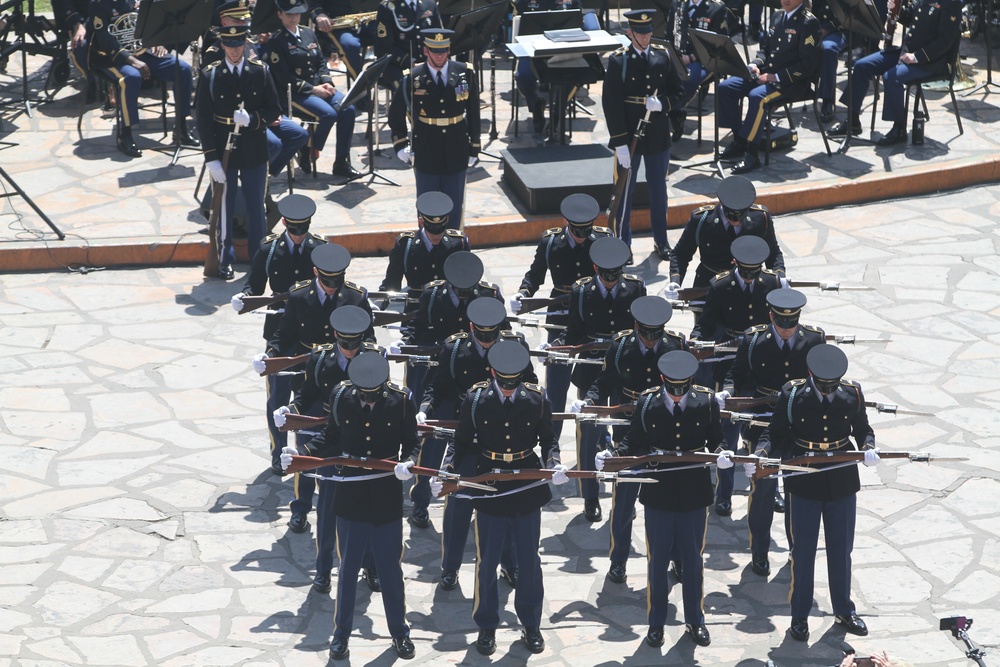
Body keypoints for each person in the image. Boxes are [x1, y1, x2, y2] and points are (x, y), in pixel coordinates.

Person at [281, 352, 418, 660]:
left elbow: (412, 442)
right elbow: (330, 437)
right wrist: (300, 453)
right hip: (351, 495)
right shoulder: (342, 394)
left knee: (390, 570)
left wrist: (407, 462)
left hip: (385, 494)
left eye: (373, 396)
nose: (367, 401)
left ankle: (400, 632)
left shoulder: (402, 400)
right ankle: (341, 636)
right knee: (347, 569)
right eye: (363, 396)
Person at [437, 341, 565, 656]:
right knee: (487, 562)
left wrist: (554, 463)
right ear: (493, 373)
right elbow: (462, 442)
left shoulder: (535, 398)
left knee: (529, 561)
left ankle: (531, 624)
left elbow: (548, 438)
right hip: (490, 483)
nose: (509, 390)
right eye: (503, 383)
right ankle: (486, 627)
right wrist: (448, 469)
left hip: (525, 484)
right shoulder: (476, 398)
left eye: (514, 383)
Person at [599, 350, 724, 648]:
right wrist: (614, 455)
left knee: (693, 561)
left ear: (691, 383)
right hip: (659, 491)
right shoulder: (647, 402)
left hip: (694, 493)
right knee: (657, 562)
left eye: (683, 390)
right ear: (662, 381)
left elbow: (716, 437)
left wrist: (722, 453)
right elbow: (634, 440)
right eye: (672, 389)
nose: (678, 397)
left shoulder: (706, 401)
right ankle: (656, 623)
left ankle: (695, 620)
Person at [755, 344, 879, 642]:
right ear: (810, 375)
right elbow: (775, 432)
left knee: (841, 551)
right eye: (822, 387)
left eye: (831, 387)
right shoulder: (793, 393)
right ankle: (799, 616)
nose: (827, 392)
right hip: (804, 477)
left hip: (841, 477)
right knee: (803, 552)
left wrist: (869, 446)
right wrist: (762, 453)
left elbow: (862, 428)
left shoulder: (851, 392)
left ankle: (844, 610)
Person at [419, 297, 534, 589]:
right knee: (458, 506)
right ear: (471, 328)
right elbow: (438, 384)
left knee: (504, 505)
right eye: (481, 336)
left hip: (502, 440)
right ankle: (450, 567)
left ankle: (509, 564)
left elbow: (530, 385)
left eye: (492, 335)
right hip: (468, 437)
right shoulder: (455, 348)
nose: (487, 342)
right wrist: (425, 408)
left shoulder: (514, 346)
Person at [575, 295, 688, 584]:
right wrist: (590, 401)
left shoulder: (675, 345)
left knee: (672, 503)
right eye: (645, 334)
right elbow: (605, 381)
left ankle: (676, 557)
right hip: (629, 432)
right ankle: (618, 560)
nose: (651, 341)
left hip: (665, 430)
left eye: (656, 334)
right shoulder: (622, 345)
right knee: (624, 503)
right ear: (636, 327)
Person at [274, 306, 382, 593]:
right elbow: (307, 394)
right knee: (327, 511)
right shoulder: (321, 357)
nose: (350, 350)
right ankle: (323, 570)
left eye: (355, 343)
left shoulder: (374, 357)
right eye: (345, 344)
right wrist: (291, 410)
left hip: (364, 441)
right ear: (335, 336)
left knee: (367, 510)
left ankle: (371, 566)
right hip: (329, 438)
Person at [721, 288, 825, 576]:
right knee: (764, 489)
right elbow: (736, 374)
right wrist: (729, 392)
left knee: (796, 489)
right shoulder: (754, 339)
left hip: (799, 424)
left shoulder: (814, 339)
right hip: (762, 422)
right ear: (771, 317)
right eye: (782, 323)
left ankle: (796, 550)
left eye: (792, 324)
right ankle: (759, 552)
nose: (788, 330)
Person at [550, 236, 646, 522]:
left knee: (623, 431)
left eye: (614, 276)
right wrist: (558, 347)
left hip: (624, 368)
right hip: (591, 368)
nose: (610, 282)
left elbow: (640, 328)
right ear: (595, 269)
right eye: (605, 276)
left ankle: (620, 490)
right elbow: (574, 330)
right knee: (589, 434)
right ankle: (590, 496)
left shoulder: (635, 288)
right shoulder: (581, 291)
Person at [511, 194, 612, 465]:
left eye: (586, 231)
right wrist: (524, 292)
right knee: (556, 385)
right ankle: (551, 447)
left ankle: (602, 439)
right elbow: (535, 273)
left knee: (595, 382)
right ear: (566, 222)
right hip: (561, 312)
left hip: (593, 313)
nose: (581, 237)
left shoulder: (603, 239)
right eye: (576, 231)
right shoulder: (551, 241)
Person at [690, 235, 785, 517]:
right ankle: (724, 493)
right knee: (728, 434)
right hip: (729, 362)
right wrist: (697, 340)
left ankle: (773, 489)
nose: (749, 278)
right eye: (744, 272)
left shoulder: (771, 284)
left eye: (754, 272)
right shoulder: (720, 285)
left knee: (770, 429)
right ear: (735, 264)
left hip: (764, 365)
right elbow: (706, 325)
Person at [234, 194, 327, 475]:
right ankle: (278, 452)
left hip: (313, 333)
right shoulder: (269, 249)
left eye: (303, 230)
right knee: (278, 398)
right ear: (285, 223)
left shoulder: (321, 249)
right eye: (293, 230)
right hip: (280, 334)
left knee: (309, 396)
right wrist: (245, 296)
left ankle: (304, 451)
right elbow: (255, 284)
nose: (299, 237)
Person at [195, 21, 281, 280]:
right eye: (229, 45)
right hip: (223, 149)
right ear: (222, 45)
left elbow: (273, 110)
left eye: (239, 45)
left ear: (245, 44)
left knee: (257, 206)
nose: (234, 51)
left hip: (253, 146)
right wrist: (211, 158)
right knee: (224, 207)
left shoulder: (260, 71)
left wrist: (253, 119)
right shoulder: (211, 75)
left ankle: (258, 259)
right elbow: (202, 119)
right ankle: (224, 259)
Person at [603, 9, 685, 258]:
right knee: (624, 194)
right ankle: (622, 245)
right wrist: (620, 144)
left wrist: (663, 105)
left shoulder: (663, 56)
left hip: (657, 134)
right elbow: (611, 104)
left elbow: (680, 92)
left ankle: (661, 241)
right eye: (640, 33)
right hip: (629, 135)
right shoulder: (619, 61)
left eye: (648, 32)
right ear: (630, 33)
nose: (646, 37)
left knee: (659, 191)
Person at [200, 1, 310, 181]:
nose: (244, 24)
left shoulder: (249, 43)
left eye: (244, 20)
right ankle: (255, 181)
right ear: (225, 22)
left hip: (260, 113)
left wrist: (270, 114)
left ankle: (263, 177)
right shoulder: (215, 51)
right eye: (238, 21)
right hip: (238, 121)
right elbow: (221, 96)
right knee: (273, 145)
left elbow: (261, 79)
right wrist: (258, 118)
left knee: (299, 135)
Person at [828, 0, 962, 145]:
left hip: (930, 61)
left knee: (892, 77)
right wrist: (898, 11)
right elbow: (912, 19)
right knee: (862, 65)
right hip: (908, 52)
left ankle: (899, 128)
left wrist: (917, 57)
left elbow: (945, 40)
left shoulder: (950, 3)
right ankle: (852, 121)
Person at [389, 29, 481, 229]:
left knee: (455, 205)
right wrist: (400, 144)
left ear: (449, 50)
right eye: (434, 51)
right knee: (428, 204)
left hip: (456, 145)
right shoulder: (412, 77)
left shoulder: (465, 72)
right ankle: (426, 246)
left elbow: (474, 112)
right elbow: (395, 114)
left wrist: (474, 146)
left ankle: (454, 245)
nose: (439, 56)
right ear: (425, 51)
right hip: (426, 146)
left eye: (443, 51)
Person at [717, 0, 822, 174]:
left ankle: (752, 154)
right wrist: (755, 64)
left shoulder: (808, 22)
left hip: (791, 83)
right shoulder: (777, 16)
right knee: (726, 88)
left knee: (758, 97)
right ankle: (740, 139)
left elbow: (807, 66)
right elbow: (765, 49)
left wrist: (776, 76)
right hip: (766, 74)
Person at [87, 0, 198, 157]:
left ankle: (181, 128)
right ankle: (125, 135)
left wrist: (157, 40)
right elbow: (105, 39)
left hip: (141, 51)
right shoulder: (98, 4)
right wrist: (131, 60)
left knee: (183, 69)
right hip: (111, 58)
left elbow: (147, 23)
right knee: (132, 77)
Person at [267, 0, 361, 179]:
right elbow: (284, 77)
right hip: (295, 93)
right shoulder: (276, 41)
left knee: (348, 109)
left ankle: (341, 162)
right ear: (279, 14)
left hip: (319, 87)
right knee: (328, 114)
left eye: (297, 13)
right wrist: (313, 89)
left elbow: (320, 62)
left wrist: (327, 82)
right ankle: (307, 146)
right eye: (289, 14)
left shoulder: (308, 33)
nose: (294, 17)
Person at [667, 175, 785, 302]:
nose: (735, 221)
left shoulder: (761, 218)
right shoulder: (702, 220)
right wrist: (675, 281)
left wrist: (779, 277)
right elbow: (681, 254)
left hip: (749, 287)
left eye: (740, 216)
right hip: (709, 288)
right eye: (730, 215)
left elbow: (773, 253)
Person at [514, 0, 601, 135]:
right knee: (523, 77)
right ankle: (536, 105)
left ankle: (558, 114)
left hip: (563, 47)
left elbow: (578, 15)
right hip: (532, 48)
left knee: (573, 73)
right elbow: (518, 14)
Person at [666, 0, 732, 141]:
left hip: (703, 60)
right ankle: (671, 112)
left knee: (686, 79)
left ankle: (669, 110)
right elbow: (669, 35)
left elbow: (719, 44)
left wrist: (692, 57)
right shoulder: (678, 4)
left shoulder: (716, 8)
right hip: (678, 55)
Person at [373, 0, 442, 89]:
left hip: (429, 64)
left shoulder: (429, 4)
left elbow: (440, 38)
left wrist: (434, 61)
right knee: (418, 91)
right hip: (399, 67)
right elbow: (384, 47)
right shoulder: (388, 7)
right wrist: (411, 63)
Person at [311, 0, 377, 82]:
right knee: (350, 45)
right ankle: (362, 84)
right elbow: (313, 3)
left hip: (370, 19)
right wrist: (319, 14)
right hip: (338, 23)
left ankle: (389, 77)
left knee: (387, 35)